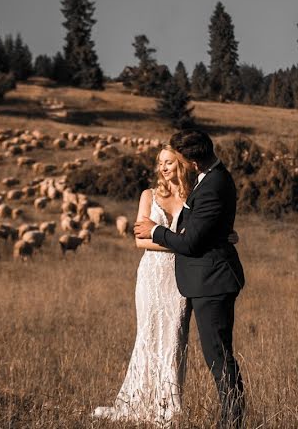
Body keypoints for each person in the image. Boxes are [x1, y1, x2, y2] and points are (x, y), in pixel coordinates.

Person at [94, 144, 238, 425]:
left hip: (181, 277)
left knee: (174, 339)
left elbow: (206, 231)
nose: (163, 167)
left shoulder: (193, 196)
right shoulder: (149, 195)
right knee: (148, 335)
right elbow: (139, 239)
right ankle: (139, 400)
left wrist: (212, 239)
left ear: (182, 164)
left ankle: (168, 406)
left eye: (169, 162)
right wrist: (183, 243)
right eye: (160, 162)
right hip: (152, 275)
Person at [134, 129, 246, 429]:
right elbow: (201, 228)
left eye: (179, 160)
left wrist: (155, 231)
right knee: (216, 355)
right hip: (201, 279)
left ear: (193, 161)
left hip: (212, 281)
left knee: (218, 357)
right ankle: (229, 417)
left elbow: (193, 241)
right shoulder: (210, 180)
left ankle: (232, 420)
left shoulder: (213, 184)